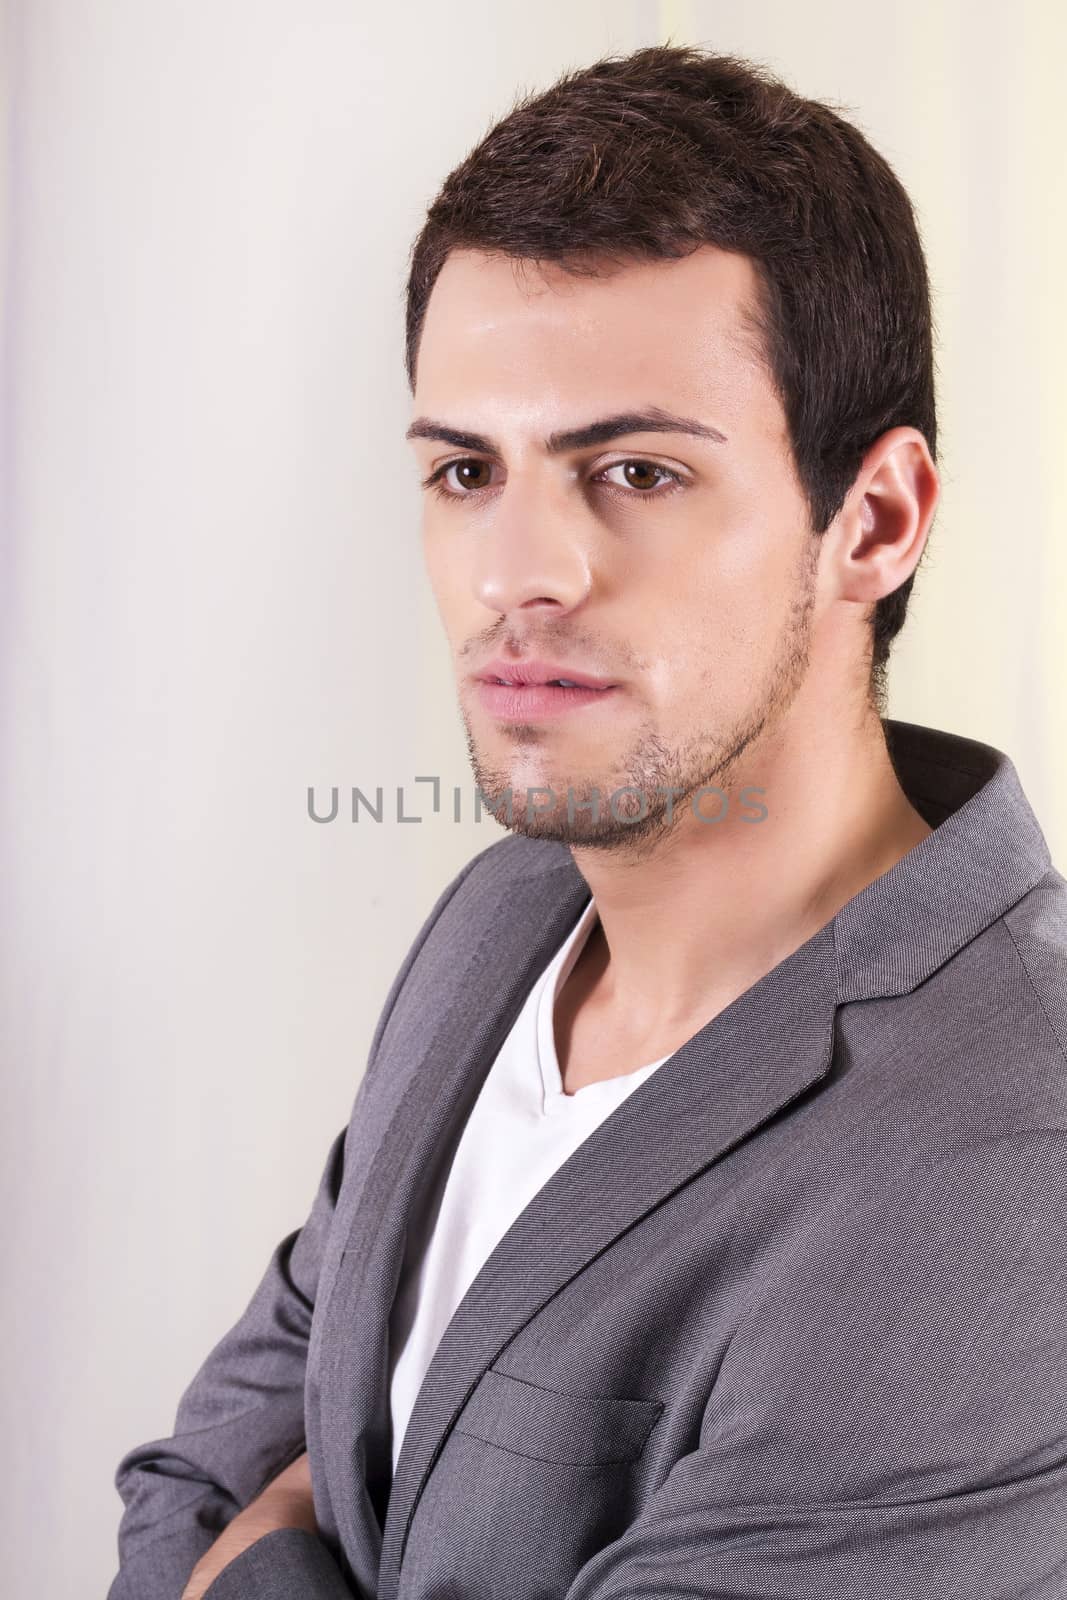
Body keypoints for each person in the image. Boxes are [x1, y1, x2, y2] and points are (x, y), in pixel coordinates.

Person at [108, 42, 1067, 1600]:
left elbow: (235, 1525)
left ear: (874, 521)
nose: (516, 572)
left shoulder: (1013, 1165)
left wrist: (273, 1554)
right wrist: (252, 1519)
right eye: (465, 470)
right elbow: (193, 1477)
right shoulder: (496, 924)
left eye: (633, 470)